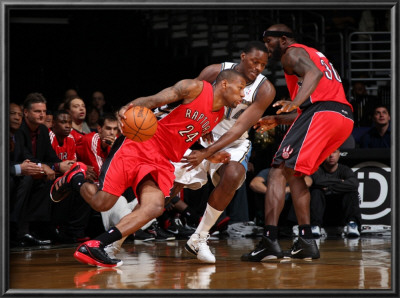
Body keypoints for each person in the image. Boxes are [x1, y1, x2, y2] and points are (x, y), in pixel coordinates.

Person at [50, 69, 246, 267]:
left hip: (162, 160)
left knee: (154, 206)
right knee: (102, 203)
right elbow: (154, 100)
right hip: (140, 142)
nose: (243, 95)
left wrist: (210, 154)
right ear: (224, 84)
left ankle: (97, 245)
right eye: (240, 88)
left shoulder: (218, 114)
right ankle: (75, 177)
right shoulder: (195, 88)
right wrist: (127, 107)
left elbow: (184, 137)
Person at [241, 24, 354, 262]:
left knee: (277, 171)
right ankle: (306, 241)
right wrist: (277, 118)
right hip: (342, 118)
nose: (265, 46)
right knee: (295, 174)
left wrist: (295, 102)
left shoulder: (291, 52)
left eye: (268, 40)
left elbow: (314, 78)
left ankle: (269, 241)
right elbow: (310, 104)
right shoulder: (313, 54)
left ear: (282, 39)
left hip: (322, 114)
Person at [170, 41, 276, 263]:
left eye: (263, 65)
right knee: (169, 190)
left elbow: (239, 128)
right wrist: (203, 125)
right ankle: (121, 233)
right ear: (243, 56)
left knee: (234, 174)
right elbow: (190, 99)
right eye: (254, 61)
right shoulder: (214, 71)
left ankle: (200, 237)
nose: (258, 67)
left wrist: (210, 151)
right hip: (201, 133)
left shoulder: (265, 90)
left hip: (234, 142)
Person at [11, 93, 73, 246]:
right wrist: (53, 166)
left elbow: (50, 157)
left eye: (44, 111)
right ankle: (22, 230)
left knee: (68, 179)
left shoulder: (43, 131)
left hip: (36, 171)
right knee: (31, 178)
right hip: (21, 172)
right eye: (38, 111)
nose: (42, 115)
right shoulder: (19, 129)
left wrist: (63, 165)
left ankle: (51, 228)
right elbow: (24, 156)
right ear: (26, 113)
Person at [308, 149, 362, 238]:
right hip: (322, 213)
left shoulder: (345, 169)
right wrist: (341, 182)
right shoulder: (317, 169)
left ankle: (352, 225)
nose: (331, 156)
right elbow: (317, 181)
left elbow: (354, 184)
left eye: (334, 152)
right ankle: (315, 226)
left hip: (340, 212)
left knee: (351, 192)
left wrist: (329, 188)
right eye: (328, 153)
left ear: (339, 154)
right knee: (316, 191)